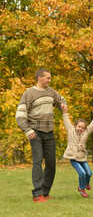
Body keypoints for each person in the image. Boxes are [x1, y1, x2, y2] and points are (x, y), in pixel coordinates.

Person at [16, 68, 66, 203]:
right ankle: (37, 194)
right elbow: (20, 115)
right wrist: (27, 130)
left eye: (50, 78)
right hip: (35, 133)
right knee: (37, 162)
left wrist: (62, 106)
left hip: (49, 132)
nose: (50, 80)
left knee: (51, 164)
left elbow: (62, 100)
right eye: (48, 78)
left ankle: (45, 191)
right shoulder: (29, 93)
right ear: (39, 78)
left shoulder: (51, 92)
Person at [61, 104, 93, 198]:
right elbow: (66, 121)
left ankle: (86, 183)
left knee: (89, 173)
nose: (80, 129)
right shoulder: (70, 130)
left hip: (82, 157)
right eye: (79, 126)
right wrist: (65, 112)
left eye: (82, 128)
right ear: (75, 126)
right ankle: (82, 189)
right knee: (82, 173)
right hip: (73, 158)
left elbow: (92, 125)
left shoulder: (86, 132)